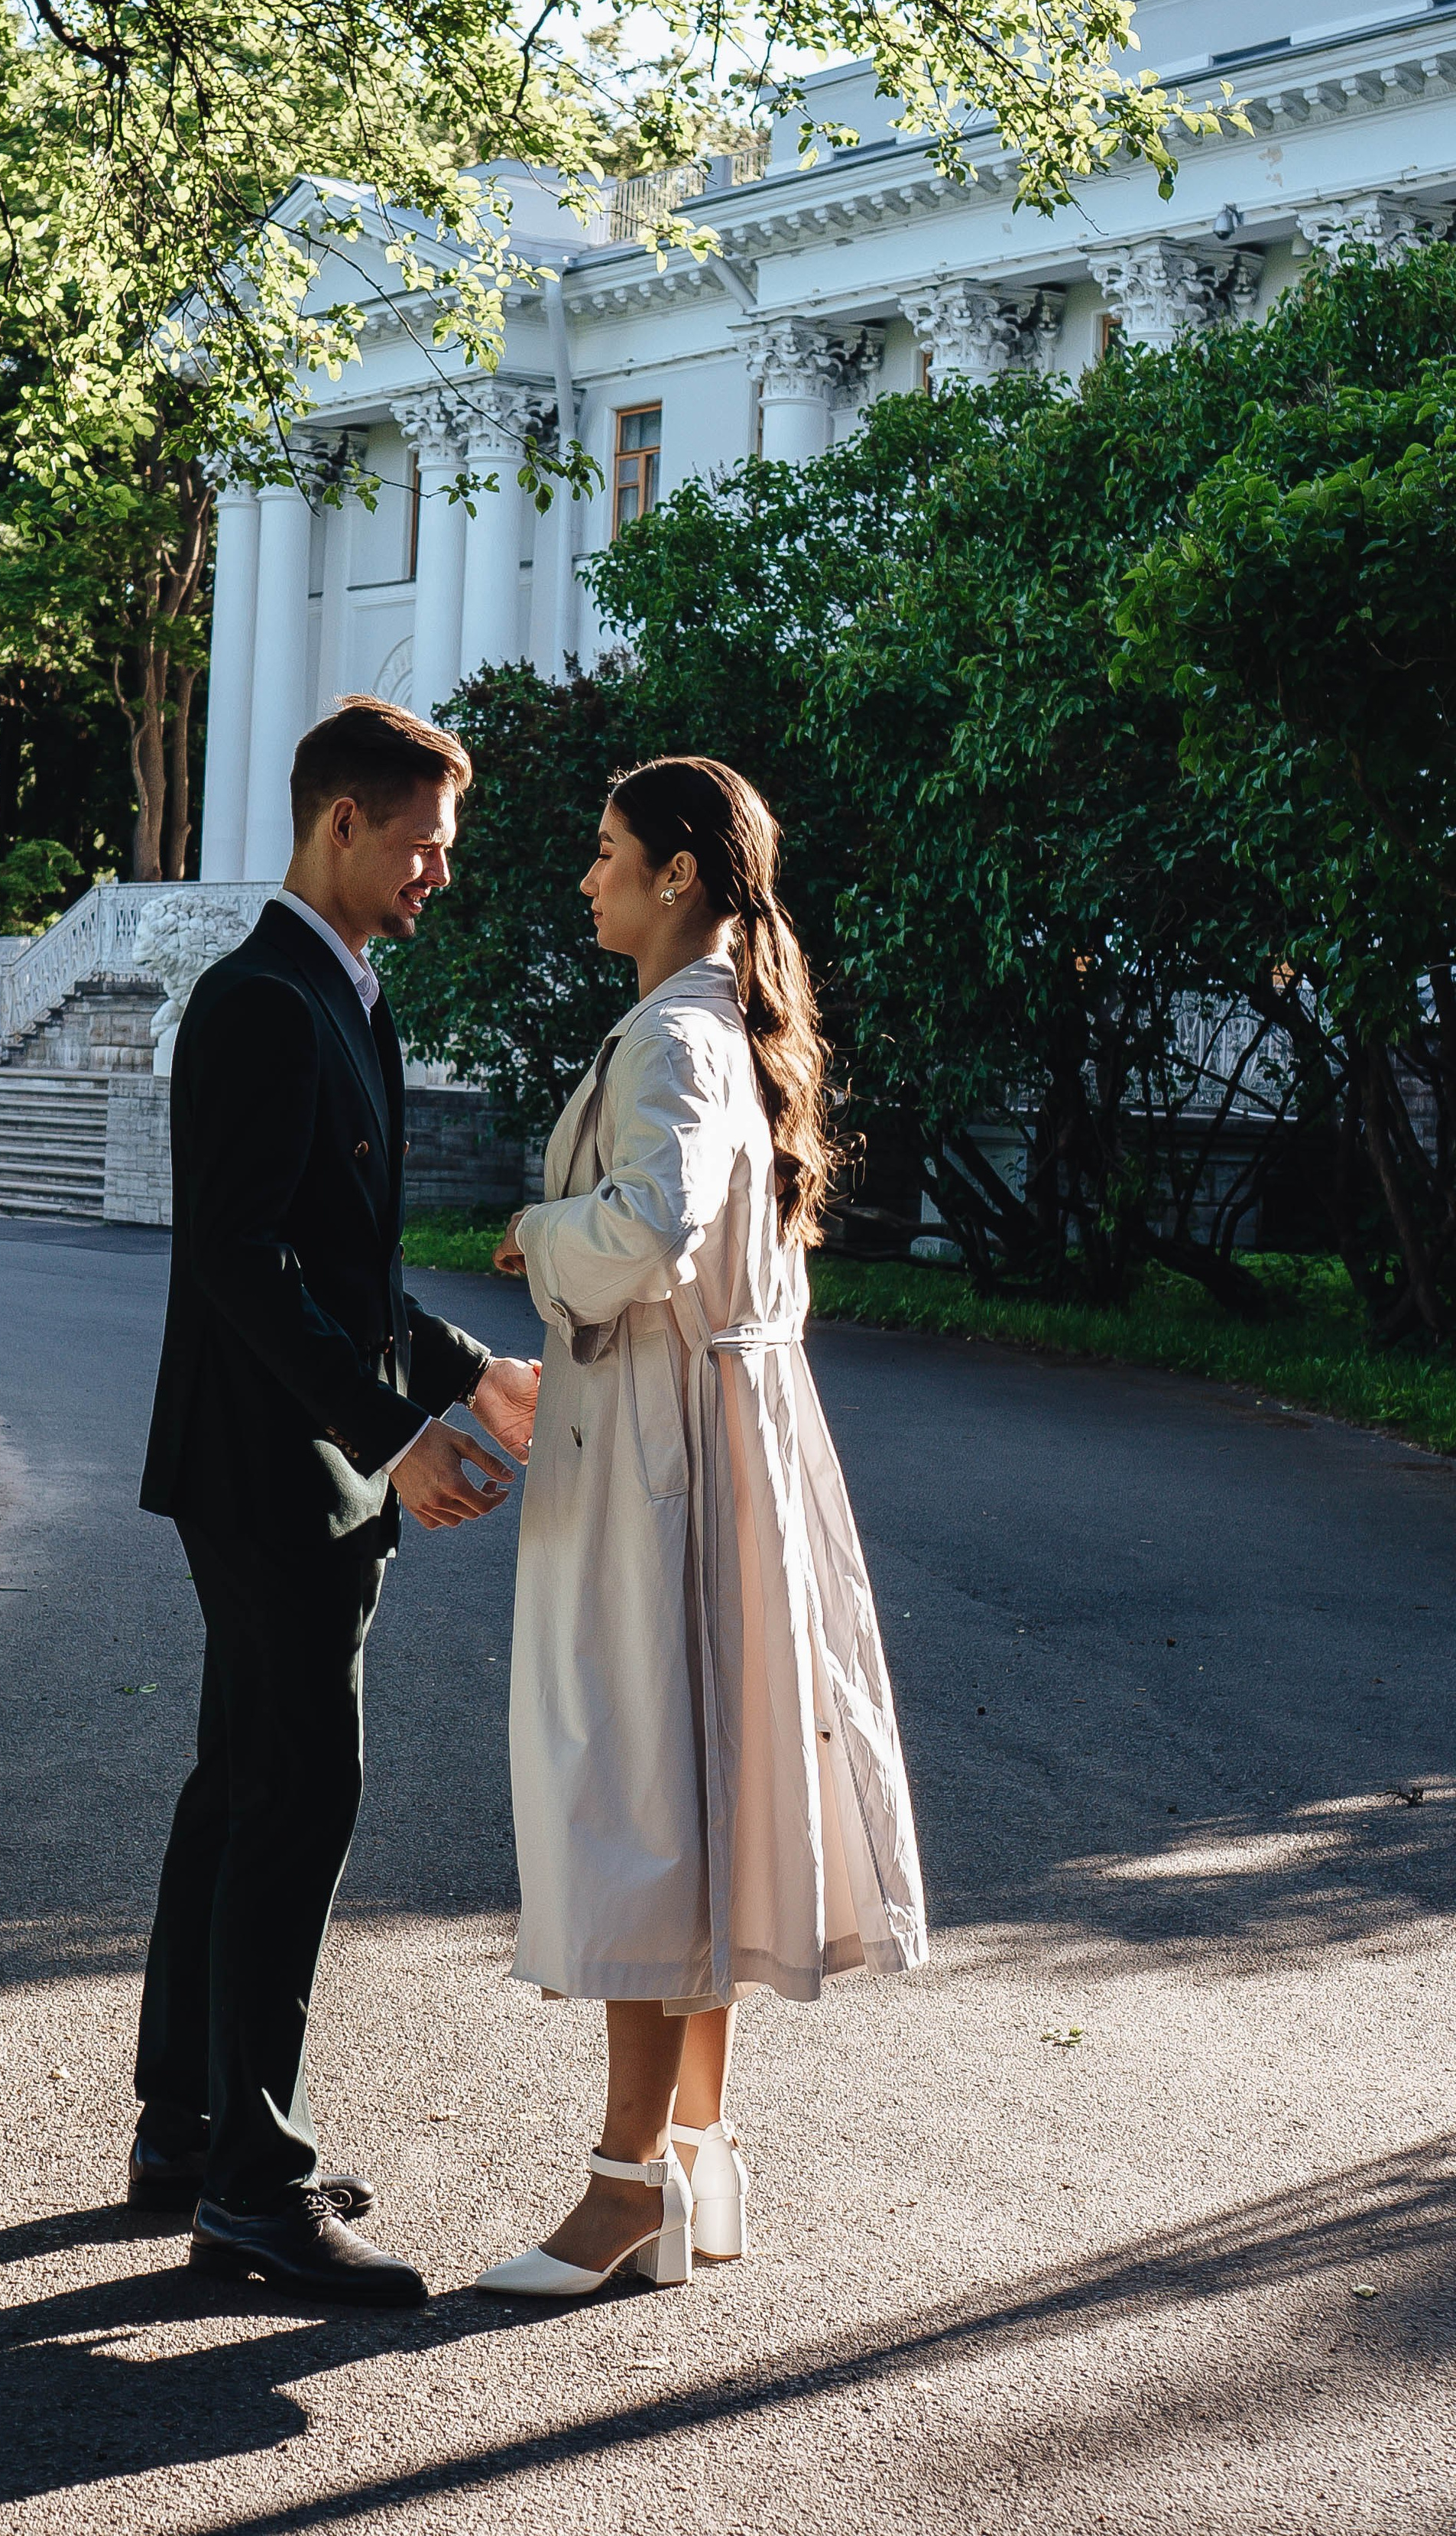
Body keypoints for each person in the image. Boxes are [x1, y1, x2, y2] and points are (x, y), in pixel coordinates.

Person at [475, 756, 926, 2301]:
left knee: (638, 1804)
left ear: (677, 872)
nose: (585, 879)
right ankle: (693, 2160)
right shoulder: (711, 1021)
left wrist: (535, 1233)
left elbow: (651, 1228)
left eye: (606, 854)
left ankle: (621, 2190)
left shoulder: (673, 1032)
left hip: (667, 1457)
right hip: (710, 1438)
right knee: (700, 1798)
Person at [131, 696, 541, 2307]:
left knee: (242, 1785)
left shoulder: (331, 989)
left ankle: (195, 2130)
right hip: (268, 1470)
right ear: (345, 824)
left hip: (283, 1460)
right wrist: (392, 1435)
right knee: (293, 1796)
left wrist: (462, 1370)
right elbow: (240, 1261)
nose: (441, 869)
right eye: (427, 839)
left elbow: (339, 1263)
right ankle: (256, 2186)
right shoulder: (262, 999)